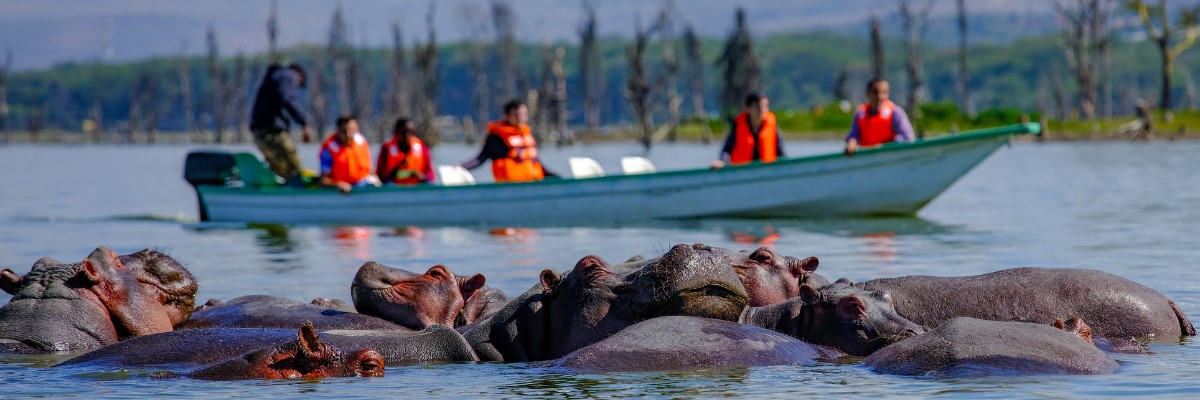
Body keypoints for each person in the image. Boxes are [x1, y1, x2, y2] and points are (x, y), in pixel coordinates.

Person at [458, 99, 556, 182]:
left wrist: (555, 177)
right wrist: (462, 167)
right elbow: (481, 159)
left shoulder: (526, 134)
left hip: (533, 181)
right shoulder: (496, 137)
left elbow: (535, 161)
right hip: (511, 184)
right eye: (517, 115)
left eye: (524, 115)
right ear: (507, 115)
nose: (521, 118)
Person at [249, 63, 313, 183]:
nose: (295, 87)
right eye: (299, 85)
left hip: (259, 133)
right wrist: (303, 123)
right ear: (301, 76)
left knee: (279, 170)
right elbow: (287, 99)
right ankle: (298, 197)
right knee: (293, 170)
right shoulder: (289, 76)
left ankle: (280, 196)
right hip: (273, 132)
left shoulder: (274, 76)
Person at [711, 92, 785, 169]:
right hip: (743, 170)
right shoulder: (738, 125)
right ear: (749, 109)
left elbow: (781, 153)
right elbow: (727, 150)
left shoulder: (772, 124)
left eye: (765, 106)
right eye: (758, 106)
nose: (762, 110)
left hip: (767, 171)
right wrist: (721, 161)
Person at [844, 78, 915, 155]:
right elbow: (853, 136)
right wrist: (852, 143)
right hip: (867, 156)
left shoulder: (896, 112)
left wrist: (886, 144)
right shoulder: (860, 114)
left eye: (884, 93)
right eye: (876, 92)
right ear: (867, 93)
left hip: (889, 155)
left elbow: (908, 137)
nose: (880, 96)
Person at [319, 115, 376, 193]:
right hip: (342, 190)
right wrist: (338, 184)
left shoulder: (361, 142)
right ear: (338, 131)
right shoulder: (329, 149)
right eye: (345, 131)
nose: (349, 135)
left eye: (352, 131)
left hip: (363, 185)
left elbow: (369, 168)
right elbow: (323, 180)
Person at [376, 118, 435, 185]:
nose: (407, 136)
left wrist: (422, 177)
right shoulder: (386, 149)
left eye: (411, 133)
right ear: (396, 133)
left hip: (416, 188)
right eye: (404, 133)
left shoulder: (422, 147)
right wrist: (396, 170)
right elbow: (381, 176)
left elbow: (430, 174)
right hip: (395, 189)